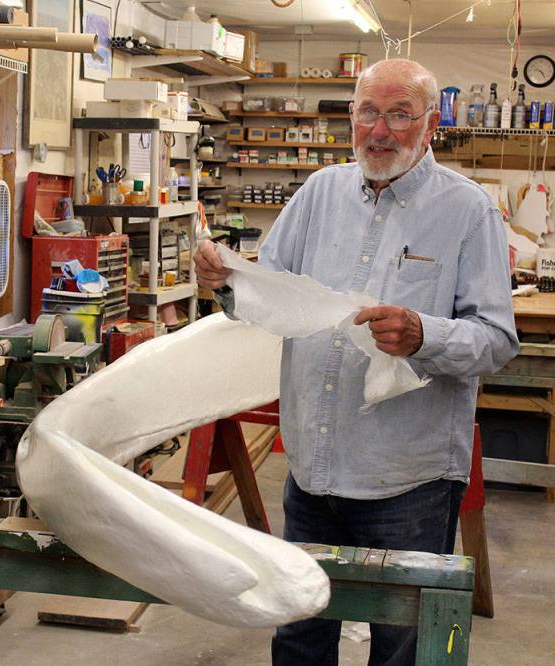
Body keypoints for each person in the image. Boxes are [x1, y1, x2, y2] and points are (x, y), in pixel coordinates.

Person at [193, 58, 518, 665]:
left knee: (402, 647)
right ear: (351, 117)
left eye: (400, 114)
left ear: (430, 125)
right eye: (369, 112)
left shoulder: (468, 211)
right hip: (313, 470)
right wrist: (224, 281)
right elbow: (264, 296)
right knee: (299, 635)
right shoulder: (320, 192)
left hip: (407, 481)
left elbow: (496, 340)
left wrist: (424, 334)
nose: (381, 130)